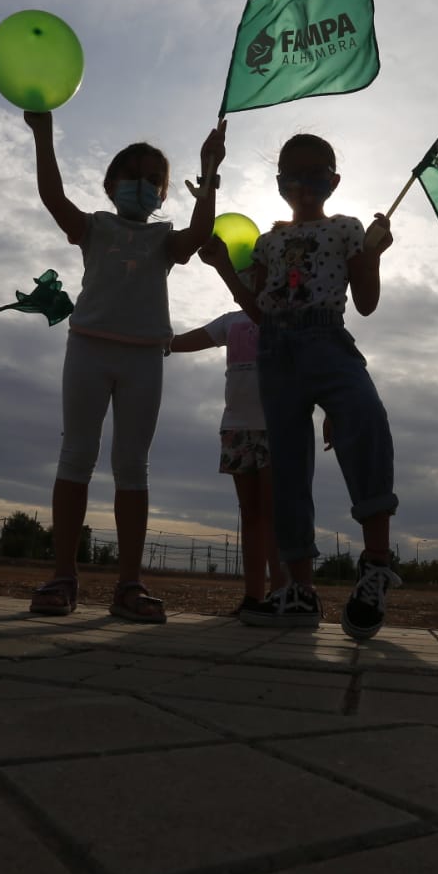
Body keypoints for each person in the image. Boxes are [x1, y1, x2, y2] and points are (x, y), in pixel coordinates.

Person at [24, 109, 225, 622]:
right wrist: (43, 133)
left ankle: (128, 585)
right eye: (133, 176)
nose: (144, 185)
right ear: (110, 184)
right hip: (88, 349)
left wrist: (208, 179)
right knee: (76, 457)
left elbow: (200, 234)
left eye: (154, 180)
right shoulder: (93, 227)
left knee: (132, 466)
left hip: (144, 357)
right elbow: (53, 197)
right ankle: (64, 577)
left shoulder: (165, 239)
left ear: (164, 194)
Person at [205, 133, 402, 640]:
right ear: (279, 185)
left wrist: (374, 255)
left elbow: (366, 302)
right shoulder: (268, 242)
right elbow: (258, 310)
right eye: (294, 175)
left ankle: (376, 565)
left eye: (317, 174)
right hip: (276, 351)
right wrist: (227, 267)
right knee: (288, 468)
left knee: (366, 417)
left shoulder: (348, 228)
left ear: (334, 181)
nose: (305, 183)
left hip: (328, 340)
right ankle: (298, 589)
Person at [168, 244, 285, 621]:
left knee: (274, 514)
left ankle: (283, 595)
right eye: (247, 270)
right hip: (236, 428)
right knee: (250, 515)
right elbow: (182, 342)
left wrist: (222, 268)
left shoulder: (282, 315)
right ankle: (253, 597)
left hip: (276, 428)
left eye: (258, 270)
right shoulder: (229, 322)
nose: (253, 276)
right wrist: (149, 337)